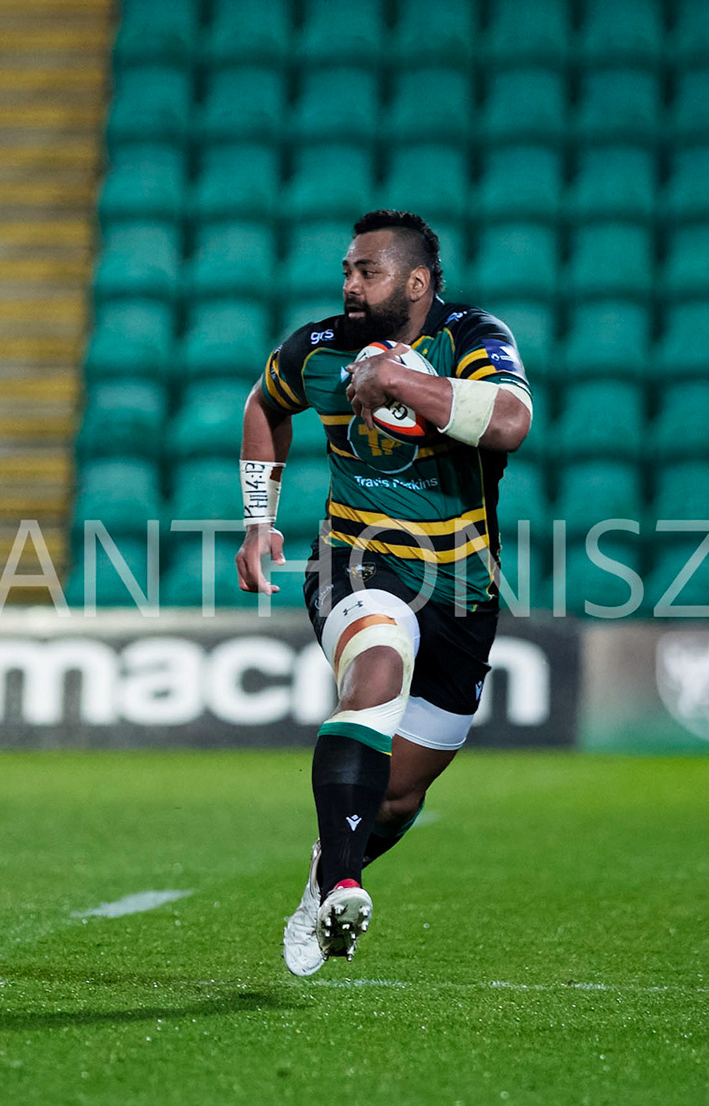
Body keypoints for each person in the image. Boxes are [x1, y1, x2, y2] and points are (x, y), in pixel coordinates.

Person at [234, 211, 534, 976]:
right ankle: (344, 883)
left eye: (368, 271)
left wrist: (397, 379)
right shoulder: (317, 347)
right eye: (347, 270)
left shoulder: (471, 337)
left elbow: (509, 422)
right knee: (376, 668)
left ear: (417, 282)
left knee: (397, 797)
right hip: (355, 560)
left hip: (461, 589)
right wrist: (258, 520)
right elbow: (264, 404)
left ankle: (322, 882)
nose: (350, 284)